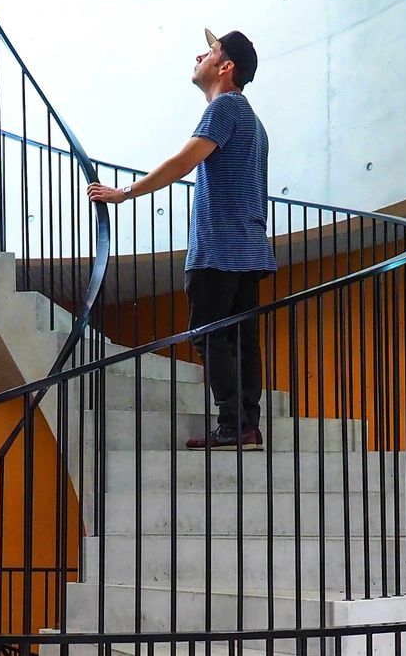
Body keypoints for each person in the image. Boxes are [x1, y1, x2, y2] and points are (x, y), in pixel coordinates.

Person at [88, 29, 276, 449]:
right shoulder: (254, 122)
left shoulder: (224, 107)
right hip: (249, 246)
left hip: (219, 247)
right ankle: (246, 424)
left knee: (210, 334)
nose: (199, 56)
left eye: (210, 52)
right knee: (241, 337)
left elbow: (182, 161)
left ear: (225, 67)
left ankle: (232, 425)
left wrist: (125, 193)